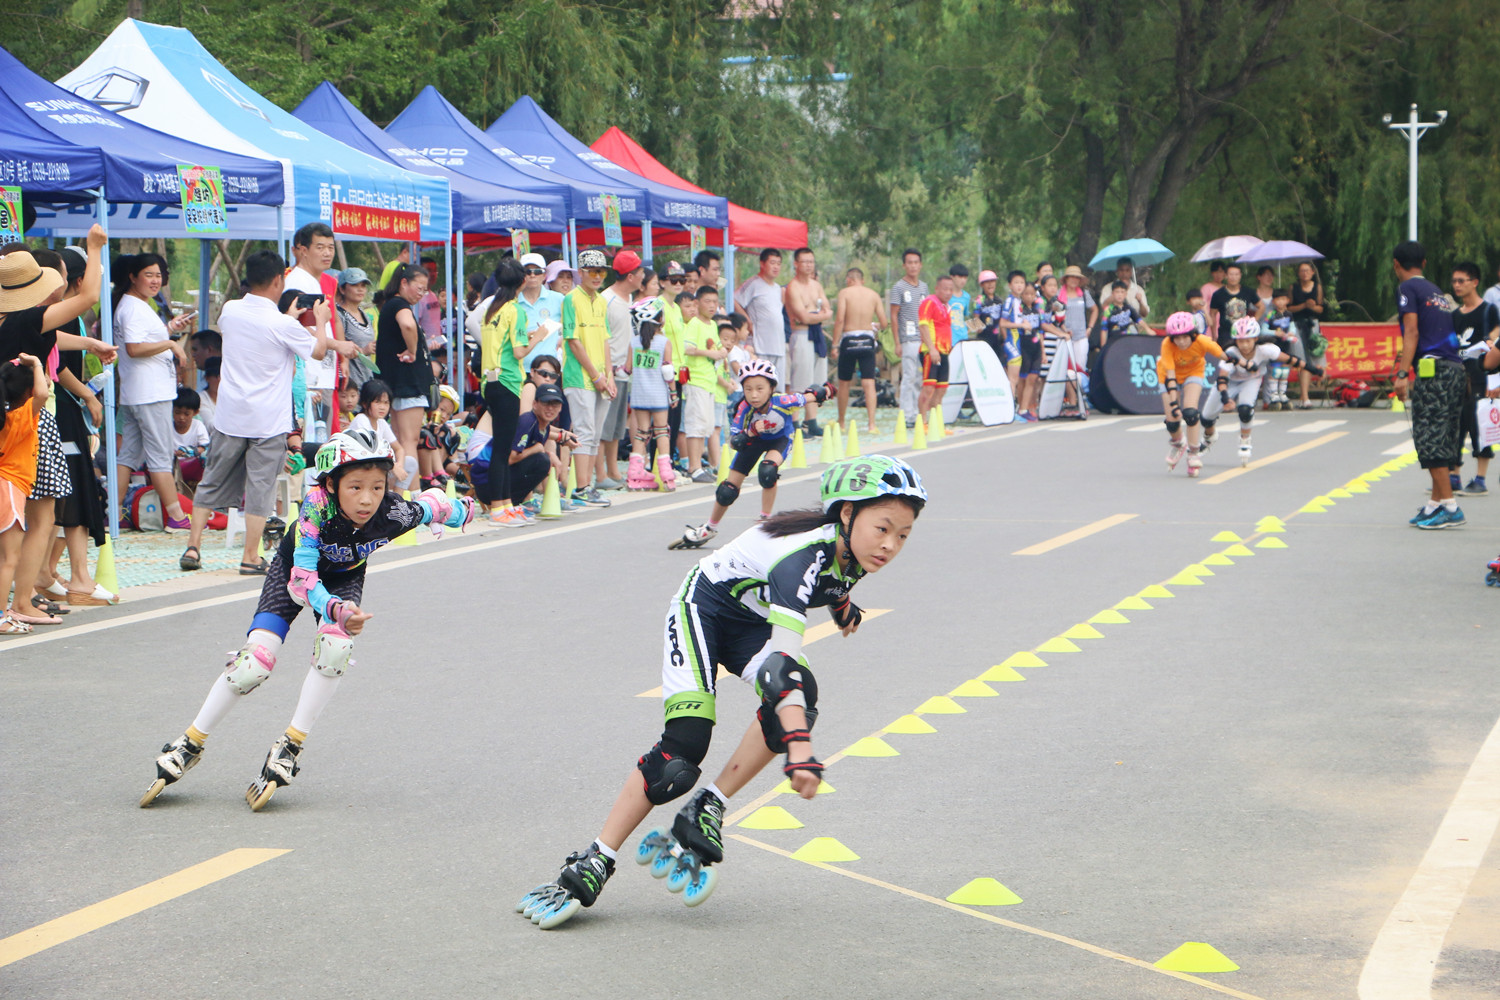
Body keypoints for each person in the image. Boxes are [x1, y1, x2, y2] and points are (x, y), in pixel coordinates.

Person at [518, 455, 928, 928]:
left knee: (801, 699)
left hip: (747, 619)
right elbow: (780, 669)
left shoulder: (852, 551)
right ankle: (594, 859)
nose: (890, 545)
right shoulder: (802, 558)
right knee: (682, 752)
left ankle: (706, 807)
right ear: (847, 514)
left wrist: (842, 606)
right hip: (704, 607)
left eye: (903, 534)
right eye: (883, 528)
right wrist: (799, 750)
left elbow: (833, 582)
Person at [140, 429, 475, 810]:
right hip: (297, 572)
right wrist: (336, 609)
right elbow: (302, 582)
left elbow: (436, 507)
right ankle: (190, 743)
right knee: (253, 664)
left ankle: (290, 745)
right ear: (331, 484)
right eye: (355, 487)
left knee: (336, 648)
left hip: (344, 576)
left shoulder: (394, 512)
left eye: (378, 487)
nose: (367, 499)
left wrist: (464, 508)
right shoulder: (316, 507)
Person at [181, 251, 356, 575]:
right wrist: (318, 319)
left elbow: (260, 328)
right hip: (268, 422)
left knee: (211, 481)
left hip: (231, 415)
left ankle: (193, 546)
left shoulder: (230, 311)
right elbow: (317, 351)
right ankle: (250, 556)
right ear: (278, 280)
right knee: (260, 488)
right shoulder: (282, 324)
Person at [670, 361, 832, 550]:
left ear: (772, 388)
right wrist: (751, 431)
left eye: (760, 388)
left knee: (767, 471)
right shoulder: (744, 408)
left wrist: (826, 391)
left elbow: (812, 395)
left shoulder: (784, 401)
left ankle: (765, 521)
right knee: (727, 490)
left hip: (779, 440)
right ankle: (709, 528)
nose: (754, 395)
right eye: (748, 389)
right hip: (754, 440)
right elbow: (735, 442)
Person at [40, 243, 113, 607]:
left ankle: (45, 573)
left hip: (53, 412)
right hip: (57, 414)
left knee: (53, 500)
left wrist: (90, 344)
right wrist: (87, 394)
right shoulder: (51, 314)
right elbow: (61, 365)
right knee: (72, 491)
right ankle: (73, 577)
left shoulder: (42, 318)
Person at [114, 252, 194, 531]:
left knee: (127, 456)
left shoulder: (134, 305)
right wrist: (171, 345)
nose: (155, 280)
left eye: (158, 275)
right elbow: (135, 348)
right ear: (133, 277)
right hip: (150, 394)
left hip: (138, 393)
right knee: (160, 455)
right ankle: (175, 516)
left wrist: (169, 330)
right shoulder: (134, 307)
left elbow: (143, 341)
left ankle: (115, 514)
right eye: (148, 274)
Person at [1391, 241, 1466, 528]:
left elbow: (1411, 330)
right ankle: (1435, 504)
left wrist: (1401, 374)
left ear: (1396, 264)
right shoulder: (1435, 290)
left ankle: (1450, 507)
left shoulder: (1407, 289)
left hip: (1433, 372)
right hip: (1454, 370)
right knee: (1444, 437)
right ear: (1423, 263)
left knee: (1430, 439)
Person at [1203, 316, 1314, 467]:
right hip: (1230, 382)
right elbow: (1222, 378)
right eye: (1241, 341)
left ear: (1255, 338)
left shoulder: (1265, 349)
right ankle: (1210, 437)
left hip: (1251, 380)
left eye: (1248, 340)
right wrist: (1225, 399)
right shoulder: (1231, 352)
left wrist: (1313, 369)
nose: (1245, 345)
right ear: (1235, 340)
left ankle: (1245, 439)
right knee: (1206, 417)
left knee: (1245, 409)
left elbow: (1290, 360)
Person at [478, 259, 537, 526]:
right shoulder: (515, 310)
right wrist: (540, 335)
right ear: (522, 281)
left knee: (500, 448)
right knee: (502, 449)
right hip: (508, 382)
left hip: (489, 381)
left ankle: (505, 505)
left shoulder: (492, 307)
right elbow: (519, 351)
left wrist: (527, 336)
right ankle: (498, 510)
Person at [0, 353, 50, 633]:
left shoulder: (4, 418)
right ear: (28, 391)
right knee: (9, 558)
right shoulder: (20, 417)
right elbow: (43, 393)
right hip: (10, 486)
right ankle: (0, 616)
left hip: (5, 485)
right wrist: (37, 364)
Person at [561, 249, 615, 507]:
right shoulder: (571, 299)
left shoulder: (602, 301)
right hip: (579, 376)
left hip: (601, 378)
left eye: (601, 271)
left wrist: (610, 375)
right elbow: (573, 342)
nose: (597, 276)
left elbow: (605, 340)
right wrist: (595, 376)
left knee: (595, 433)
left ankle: (589, 485)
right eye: (592, 271)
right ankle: (581, 487)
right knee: (584, 431)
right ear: (581, 272)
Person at [375, 263, 436, 491]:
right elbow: (408, 325)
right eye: (418, 288)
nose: (420, 294)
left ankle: (402, 492)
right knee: (409, 440)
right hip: (408, 382)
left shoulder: (390, 305)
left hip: (394, 382)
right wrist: (412, 350)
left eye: (424, 290)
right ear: (403, 283)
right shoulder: (400, 305)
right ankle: (412, 494)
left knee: (400, 440)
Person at [1157, 311, 1226, 477]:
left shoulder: (1203, 341)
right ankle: (1178, 443)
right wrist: (1174, 404)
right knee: (1172, 421)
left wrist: (1241, 363)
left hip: (1193, 372)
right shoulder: (1167, 344)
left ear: (1193, 334)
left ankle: (1193, 452)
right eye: (1177, 338)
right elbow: (1171, 377)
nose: (1180, 342)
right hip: (1167, 376)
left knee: (1190, 413)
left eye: (1185, 337)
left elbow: (1225, 356)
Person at [1451, 263, 1499, 496]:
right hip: (1457, 376)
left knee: (1480, 425)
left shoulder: (1489, 310)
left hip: (1480, 376)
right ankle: (1454, 476)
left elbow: (1495, 339)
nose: (1457, 285)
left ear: (1475, 282)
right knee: (1454, 426)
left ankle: (1480, 478)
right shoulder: (1454, 315)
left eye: (1462, 281)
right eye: (1455, 281)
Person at [598, 250, 643, 489]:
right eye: (640, 271)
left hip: (626, 371)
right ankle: (600, 472)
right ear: (631, 276)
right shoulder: (607, 299)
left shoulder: (630, 301)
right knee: (604, 425)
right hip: (611, 371)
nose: (643, 275)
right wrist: (609, 369)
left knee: (616, 426)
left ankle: (613, 469)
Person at [627, 298, 676, 491]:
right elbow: (668, 371)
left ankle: (635, 472)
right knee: (662, 430)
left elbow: (627, 368)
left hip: (639, 395)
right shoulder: (664, 342)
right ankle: (666, 473)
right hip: (658, 395)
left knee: (642, 432)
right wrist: (673, 394)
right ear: (660, 320)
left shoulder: (634, 342)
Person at [831, 267, 888, 434]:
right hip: (867, 340)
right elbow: (884, 323)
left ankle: (841, 422)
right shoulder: (873, 295)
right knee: (869, 383)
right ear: (862, 280)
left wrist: (835, 344)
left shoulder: (845, 293)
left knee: (844, 382)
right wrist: (873, 326)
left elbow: (840, 319)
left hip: (849, 340)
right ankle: (872, 424)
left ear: (849, 280)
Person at [682, 287, 729, 483]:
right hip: (696, 380)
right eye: (707, 301)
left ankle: (700, 465)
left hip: (709, 382)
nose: (711, 305)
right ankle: (694, 467)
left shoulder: (711, 325)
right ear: (697, 303)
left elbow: (717, 346)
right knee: (696, 424)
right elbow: (688, 347)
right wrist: (711, 354)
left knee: (706, 425)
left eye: (714, 301)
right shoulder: (694, 323)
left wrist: (722, 351)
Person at [785, 248, 833, 437]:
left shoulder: (816, 285)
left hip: (817, 335)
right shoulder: (793, 287)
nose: (808, 265)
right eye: (804, 261)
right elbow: (802, 316)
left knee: (817, 380)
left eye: (811, 262)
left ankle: (811, 421)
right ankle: (795, 422)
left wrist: (816, 316)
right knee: (799, 381)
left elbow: (829, 311)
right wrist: (818, 316)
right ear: (796, 264)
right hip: (801, 335)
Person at [508, 382, 573, 505]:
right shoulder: (528, 421)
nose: (550, 408)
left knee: (544, 460)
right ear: (534, 404)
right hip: (489, 484)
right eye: (545, 403)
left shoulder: (544, 426)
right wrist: (538, 449)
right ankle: (517, 503)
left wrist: (548, 453)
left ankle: (520, 503)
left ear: (560, 408)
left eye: (555, 404)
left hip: (503, 481)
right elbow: (510, 458)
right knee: (542, 460)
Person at [887, 249, 929, 428]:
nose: (913, 266)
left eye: (916, 262)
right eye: (909, 262)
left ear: (920, 265)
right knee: (909, 377)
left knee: (921, 377)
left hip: (923, 338)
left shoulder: (924, 287)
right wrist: (897, 341)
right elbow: (894, 315)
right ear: (904, 265)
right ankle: (907, 415)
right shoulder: (898, 287)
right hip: (908, 338)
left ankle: (920, 412)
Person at [735, 249, 787, 389]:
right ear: (762, 264)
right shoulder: (754, 283)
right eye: (772, 263)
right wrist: (747, 321)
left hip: (778, 347)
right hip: (760, 347)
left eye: (778, 263)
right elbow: (735, 300)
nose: (776, 267)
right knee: (761, 387)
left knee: (777, 390)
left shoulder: (778, 288)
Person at [349, 379, 406, 490]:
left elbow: (399, 449)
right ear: (365, 403)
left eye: (386, 403)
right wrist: (393, 466)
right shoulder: (361, 420)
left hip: (378, 464)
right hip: (359, 465)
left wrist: (399, 465)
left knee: (411, 462)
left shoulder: (382, 423)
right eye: (377, 402)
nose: (382, 407)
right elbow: (371, 451)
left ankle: (397, 500)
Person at [1286, 261, 1326, 408]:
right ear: (1298, 273)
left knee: (1314, 358)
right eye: (1302, 271)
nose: (1305, 273)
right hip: (1297, 325)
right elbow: (1289, 308)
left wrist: (1313, 306)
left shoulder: (1318, 287)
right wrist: (1304, 305)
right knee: (1301, 360)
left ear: (1312, 273)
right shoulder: (1293, 287)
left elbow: (1321, 309)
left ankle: (1305, 396)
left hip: (1313, 325)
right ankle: (1304, 396)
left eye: (1307, 270)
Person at [917, 275, 955, 419]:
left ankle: (934, 420)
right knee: (928, 387)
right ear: (937, 288)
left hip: (944, 351)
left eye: (951, 289)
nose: (948, 292)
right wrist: (932, 349)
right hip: (931, 351)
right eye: (945, 289)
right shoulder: (929, 302)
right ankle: (922, 421)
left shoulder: (947, 307)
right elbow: (923, 326)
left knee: (942, 389)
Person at [334, 268, 377, 388]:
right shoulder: (339, 315)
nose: (360, 289)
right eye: (354, 285)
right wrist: (363, 351)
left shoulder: (364, 314)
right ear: (342, 289)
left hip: (367, 381)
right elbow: (337, 348)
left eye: (363, 285)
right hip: (349, 385)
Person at [1208, 264, 1260, 347]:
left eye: (1236, 274)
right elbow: (1212, 314)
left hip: (1244, 332)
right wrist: (1214, 334)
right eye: (1231, 274)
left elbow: (1261, 306)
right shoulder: (1218, 294)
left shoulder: (1248, 291)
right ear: (1226, 276)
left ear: (1240, 276)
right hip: (1225, 333)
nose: (1234, 277)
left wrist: (1254, 320)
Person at [171, 387, 209, 495]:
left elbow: (204, 447)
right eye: (177, 413)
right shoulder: (167, 427)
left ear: (195, 412)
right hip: (173, 466)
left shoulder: (198, 426)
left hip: (192, 466)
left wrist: (187, 452)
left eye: (186, 414)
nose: (181, 417)